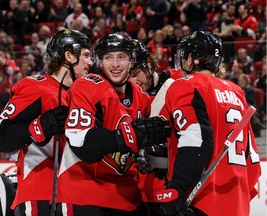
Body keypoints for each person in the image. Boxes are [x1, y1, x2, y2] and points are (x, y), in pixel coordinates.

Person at [56, 32, 171, 215]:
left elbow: (138, 145)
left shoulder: (141, 96)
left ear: (131, 61)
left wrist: (152, 158)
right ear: (99, 62)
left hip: (127, 198)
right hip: (83, 196)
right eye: (108, 58)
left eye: (121, 57)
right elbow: (80, 142)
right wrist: (128, 136)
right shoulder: (87, 86)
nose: (115, 65)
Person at [156, 31, 261, 216]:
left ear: (191, 58)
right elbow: (251, 157)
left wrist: (177, 188)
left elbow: (194, 140)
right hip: (238, 202)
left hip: (203, 201)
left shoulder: (185, 85)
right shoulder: (236, 92)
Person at [0, 29, 93, 215]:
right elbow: (0, 135)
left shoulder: (85, 94)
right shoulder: (36, 87)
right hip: (40, 193)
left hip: (75, 194)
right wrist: (39, 127)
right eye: (86, 55)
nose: (90, 62)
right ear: (69, 55)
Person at [130, 39, 183, 216]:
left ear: (149, 64)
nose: (133, 81)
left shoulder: (180, 82)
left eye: (136, 73)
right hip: (140, 193)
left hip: (173, 190)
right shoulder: (126, 94)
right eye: (128, 75)